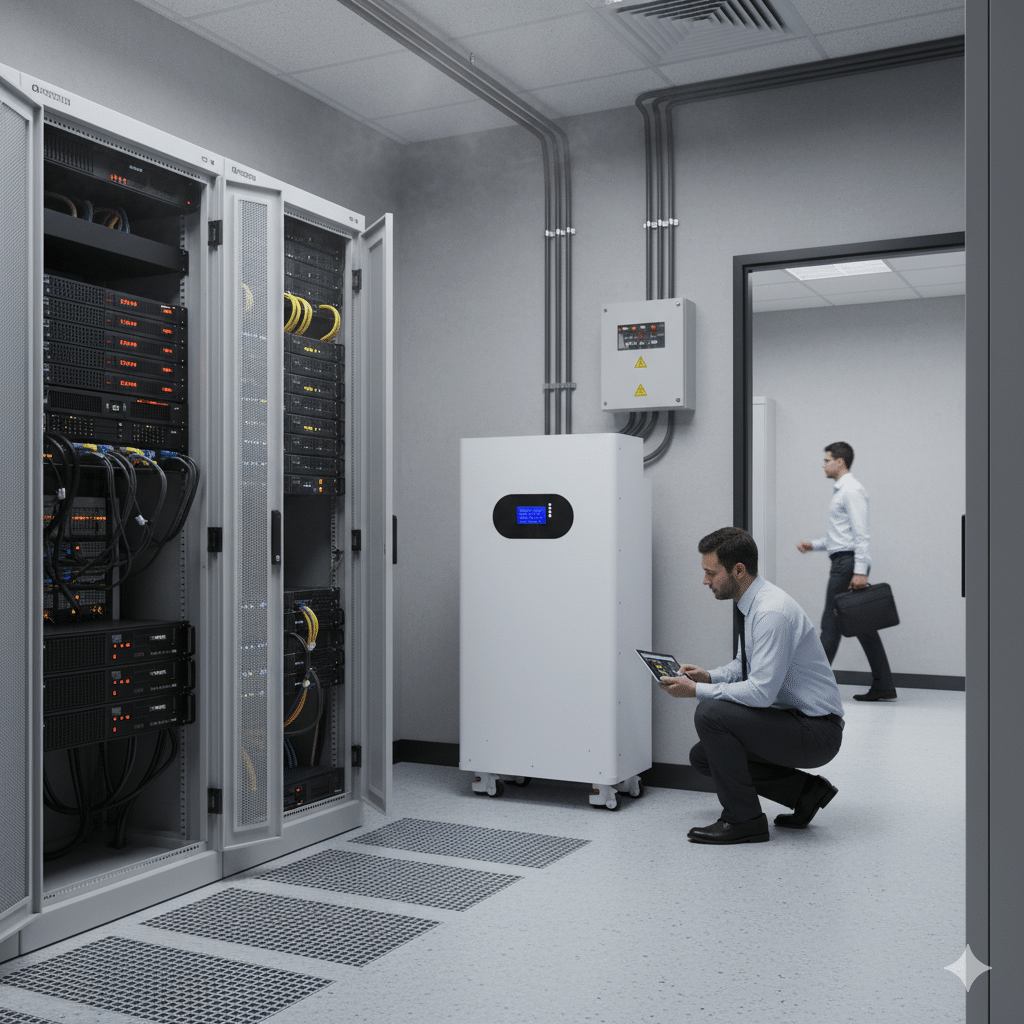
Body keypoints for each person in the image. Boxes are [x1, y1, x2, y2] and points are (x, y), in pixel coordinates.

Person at [660, 527, 844, 845]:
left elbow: (761, 692)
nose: (705, 581)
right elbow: (742, 666)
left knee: (710, 713)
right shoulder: (752, 603)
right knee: (703, 757)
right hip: (794, 720)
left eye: (711, 573)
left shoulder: (771, 612)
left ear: (738, 570)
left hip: (817, 731)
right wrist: (709, 676)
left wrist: (696, 691)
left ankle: (744, 819)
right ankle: (806, 792)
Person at [796, 441, 896, 701]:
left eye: (827, 460)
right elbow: (841, 538)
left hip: (847, 565)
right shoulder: (843, 490)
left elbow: (861, 535)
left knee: (830, 624)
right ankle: (884, 684)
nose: (823, 465)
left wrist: (860, 571)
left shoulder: (851, 490)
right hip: (845, 561)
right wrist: (814, 545)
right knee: (864, 625)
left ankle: (811, 688)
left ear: (840, 461)